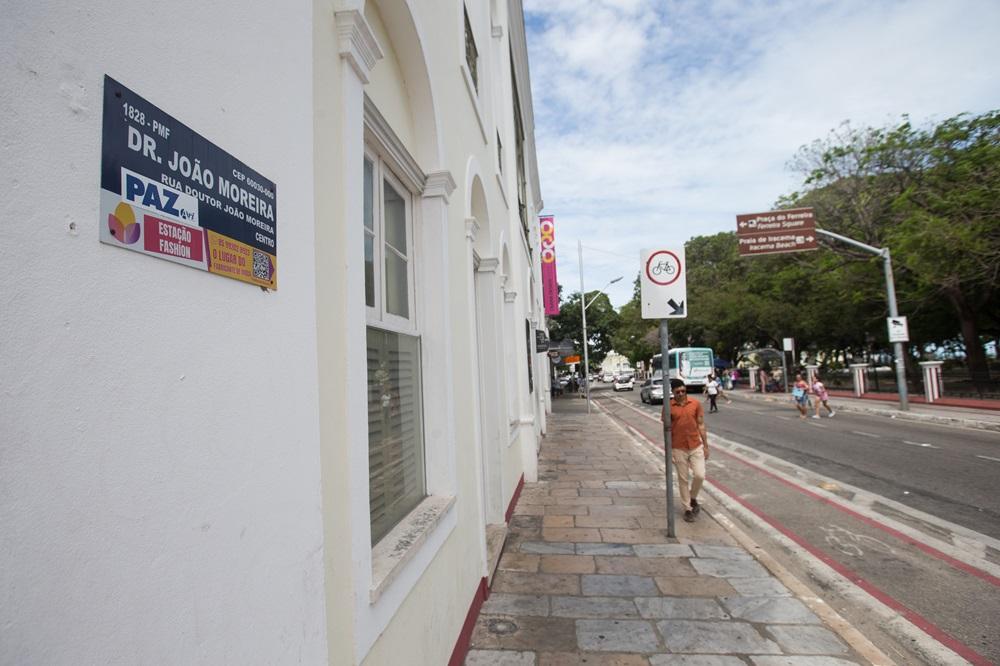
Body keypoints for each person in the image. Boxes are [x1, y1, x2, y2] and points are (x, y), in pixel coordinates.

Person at [661, 383, 708, 523]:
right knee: (683, 479)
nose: (681, 394)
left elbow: (701, 424)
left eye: (683, 391)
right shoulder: (668, 407)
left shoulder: (695, 404)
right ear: (673, 392)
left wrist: (706, 445)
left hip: (695, 445)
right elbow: (666, 429)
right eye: (678, 392)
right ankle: (687, 509)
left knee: (700, 475)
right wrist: (668, 450)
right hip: (678, 447)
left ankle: (693, 497)